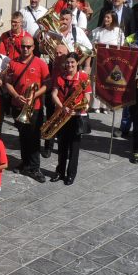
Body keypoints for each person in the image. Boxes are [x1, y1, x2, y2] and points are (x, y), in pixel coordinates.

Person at [4, 36, 48, 182]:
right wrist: (16, 96)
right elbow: (8, 83)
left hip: (34, 107)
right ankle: (25, 162)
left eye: (29, 46)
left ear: (33, 47)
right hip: (18, 105)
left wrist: (34, 95)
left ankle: (35, 167)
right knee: (22, 137)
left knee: (34, 137)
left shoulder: (40, 63)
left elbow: (47, 85)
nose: (26, 49)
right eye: (23, 46)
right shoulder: (13, 63)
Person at [50, 54, 90, 185]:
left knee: (74, 148)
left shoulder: (83, 77)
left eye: (72, 62)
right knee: (62, 146)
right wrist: (62, 107)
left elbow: (88, 98)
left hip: (76, 116)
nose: (70, 65)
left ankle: (71, 174)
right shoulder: (60, 76)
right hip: (62, 115)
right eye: (67, 63)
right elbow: (54, 94)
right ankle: (60, 171)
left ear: (77, 63)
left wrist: (80, 108)